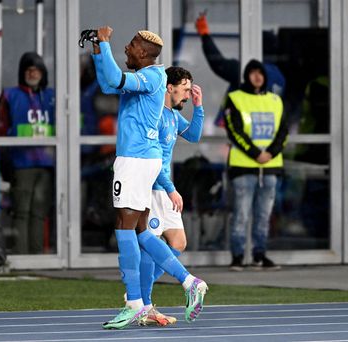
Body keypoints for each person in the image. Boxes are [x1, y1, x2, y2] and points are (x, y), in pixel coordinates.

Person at [90, 26, 208, 329]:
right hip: (143, 161)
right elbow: (108, 83)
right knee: (142, 231)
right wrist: (96, 51)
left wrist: (105, 43)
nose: (126, 49)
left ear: (144, 52)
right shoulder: (144, 80)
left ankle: (135, 302)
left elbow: (116, 78)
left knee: (123, 227)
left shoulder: (154, 75)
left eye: (131, 45)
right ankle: (187, 283)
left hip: (136, 159)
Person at [139, 66, 205, 326]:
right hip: (153, 189)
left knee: (177, 242)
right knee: (149, 245)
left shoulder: (173, 116)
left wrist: (198, 107)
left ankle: (140, 297)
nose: (187, 95)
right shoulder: (154, 115)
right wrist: (170, 189)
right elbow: (153, 161)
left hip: (165, 188)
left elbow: (194, 135)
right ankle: (144, 302)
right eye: (186, 90)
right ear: (170, 87)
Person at [223, 59, 288, 271]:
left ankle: (260, 255)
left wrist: (270, 153)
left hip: (270, 167)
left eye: (260, 72)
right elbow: (234, 130)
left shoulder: (276, 101)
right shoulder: (235, 98)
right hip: (243, 167)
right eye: (252, 73)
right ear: (246, 76)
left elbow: (283, 131)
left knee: (263, 215)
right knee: (241, 214)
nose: (257, 77)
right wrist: (255, 153)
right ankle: (238, 257)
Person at [0, 52, 55, 254]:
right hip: (21, 163)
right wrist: (5, 161)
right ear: (22, 72)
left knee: (39, 213)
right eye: (28, 70)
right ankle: (21, 257)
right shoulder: (10, 95)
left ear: (43, 73)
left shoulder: (52, 96)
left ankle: (37, 258)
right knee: (22, 212)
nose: (32, 73)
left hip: (46, 163)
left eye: (36, 70)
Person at [195, 12, 285, 127]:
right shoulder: (280, 77)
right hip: (264, 131)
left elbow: (219, 64)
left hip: (236, 129)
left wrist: (205, 35)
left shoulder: (249, 72)